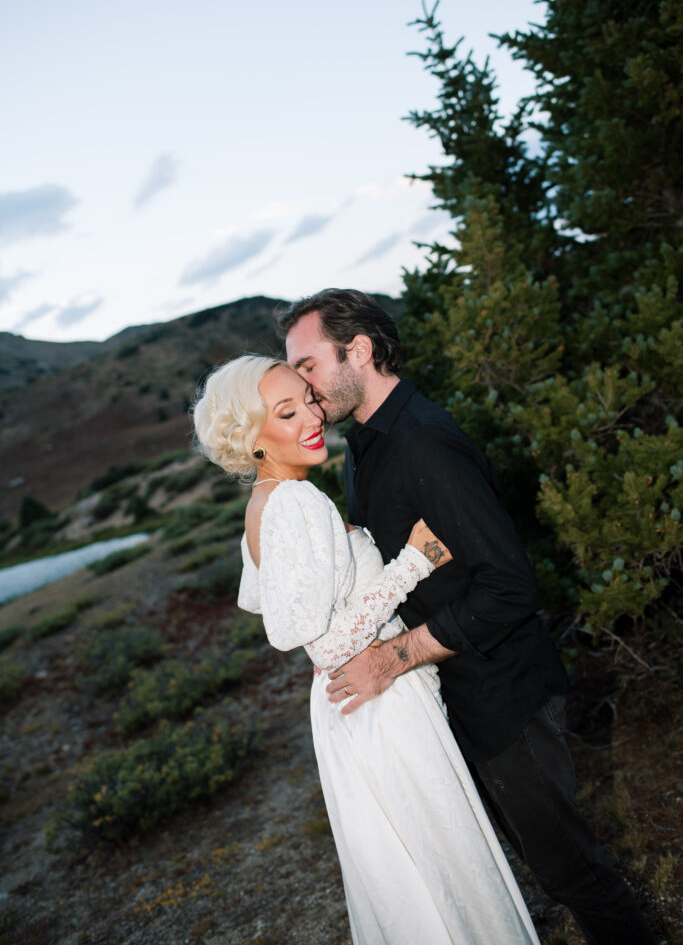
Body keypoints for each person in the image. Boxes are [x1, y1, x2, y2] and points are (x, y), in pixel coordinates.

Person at [278, 288, 656, 945]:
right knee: (523, 864)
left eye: (307, 365)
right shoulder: (363, 447)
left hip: (503, 698)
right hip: (449, 700)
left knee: (571, 872)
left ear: (358, 351)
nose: (301, 386)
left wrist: (391, 659)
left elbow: (509, 586)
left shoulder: (424, 443)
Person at [193, 354, 540, 945]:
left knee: (406, 872)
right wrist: (413, 562)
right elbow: (321, 643)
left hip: (347, 714)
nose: (311, 416)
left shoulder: (263, 504)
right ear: (252, 437)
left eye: (307, 399)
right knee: (443, 859)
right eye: (286, 412)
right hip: (377, 704)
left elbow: (267, 600)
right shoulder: (300, 504)